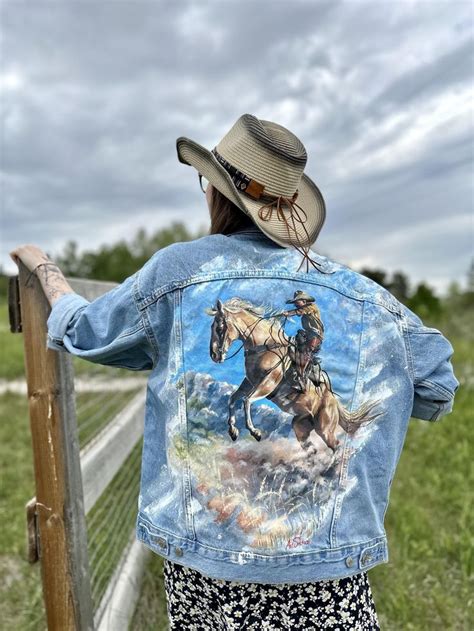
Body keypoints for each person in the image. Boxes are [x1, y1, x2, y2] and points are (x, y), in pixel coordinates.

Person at [11, 113, 459, 631]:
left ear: (216, 192)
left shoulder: (177, 272)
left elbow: (88, 332)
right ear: (287, 209)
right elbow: (436, 389)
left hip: (205, 575)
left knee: (301, 361)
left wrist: (47, 275)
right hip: (327, 582)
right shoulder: (364, 295)